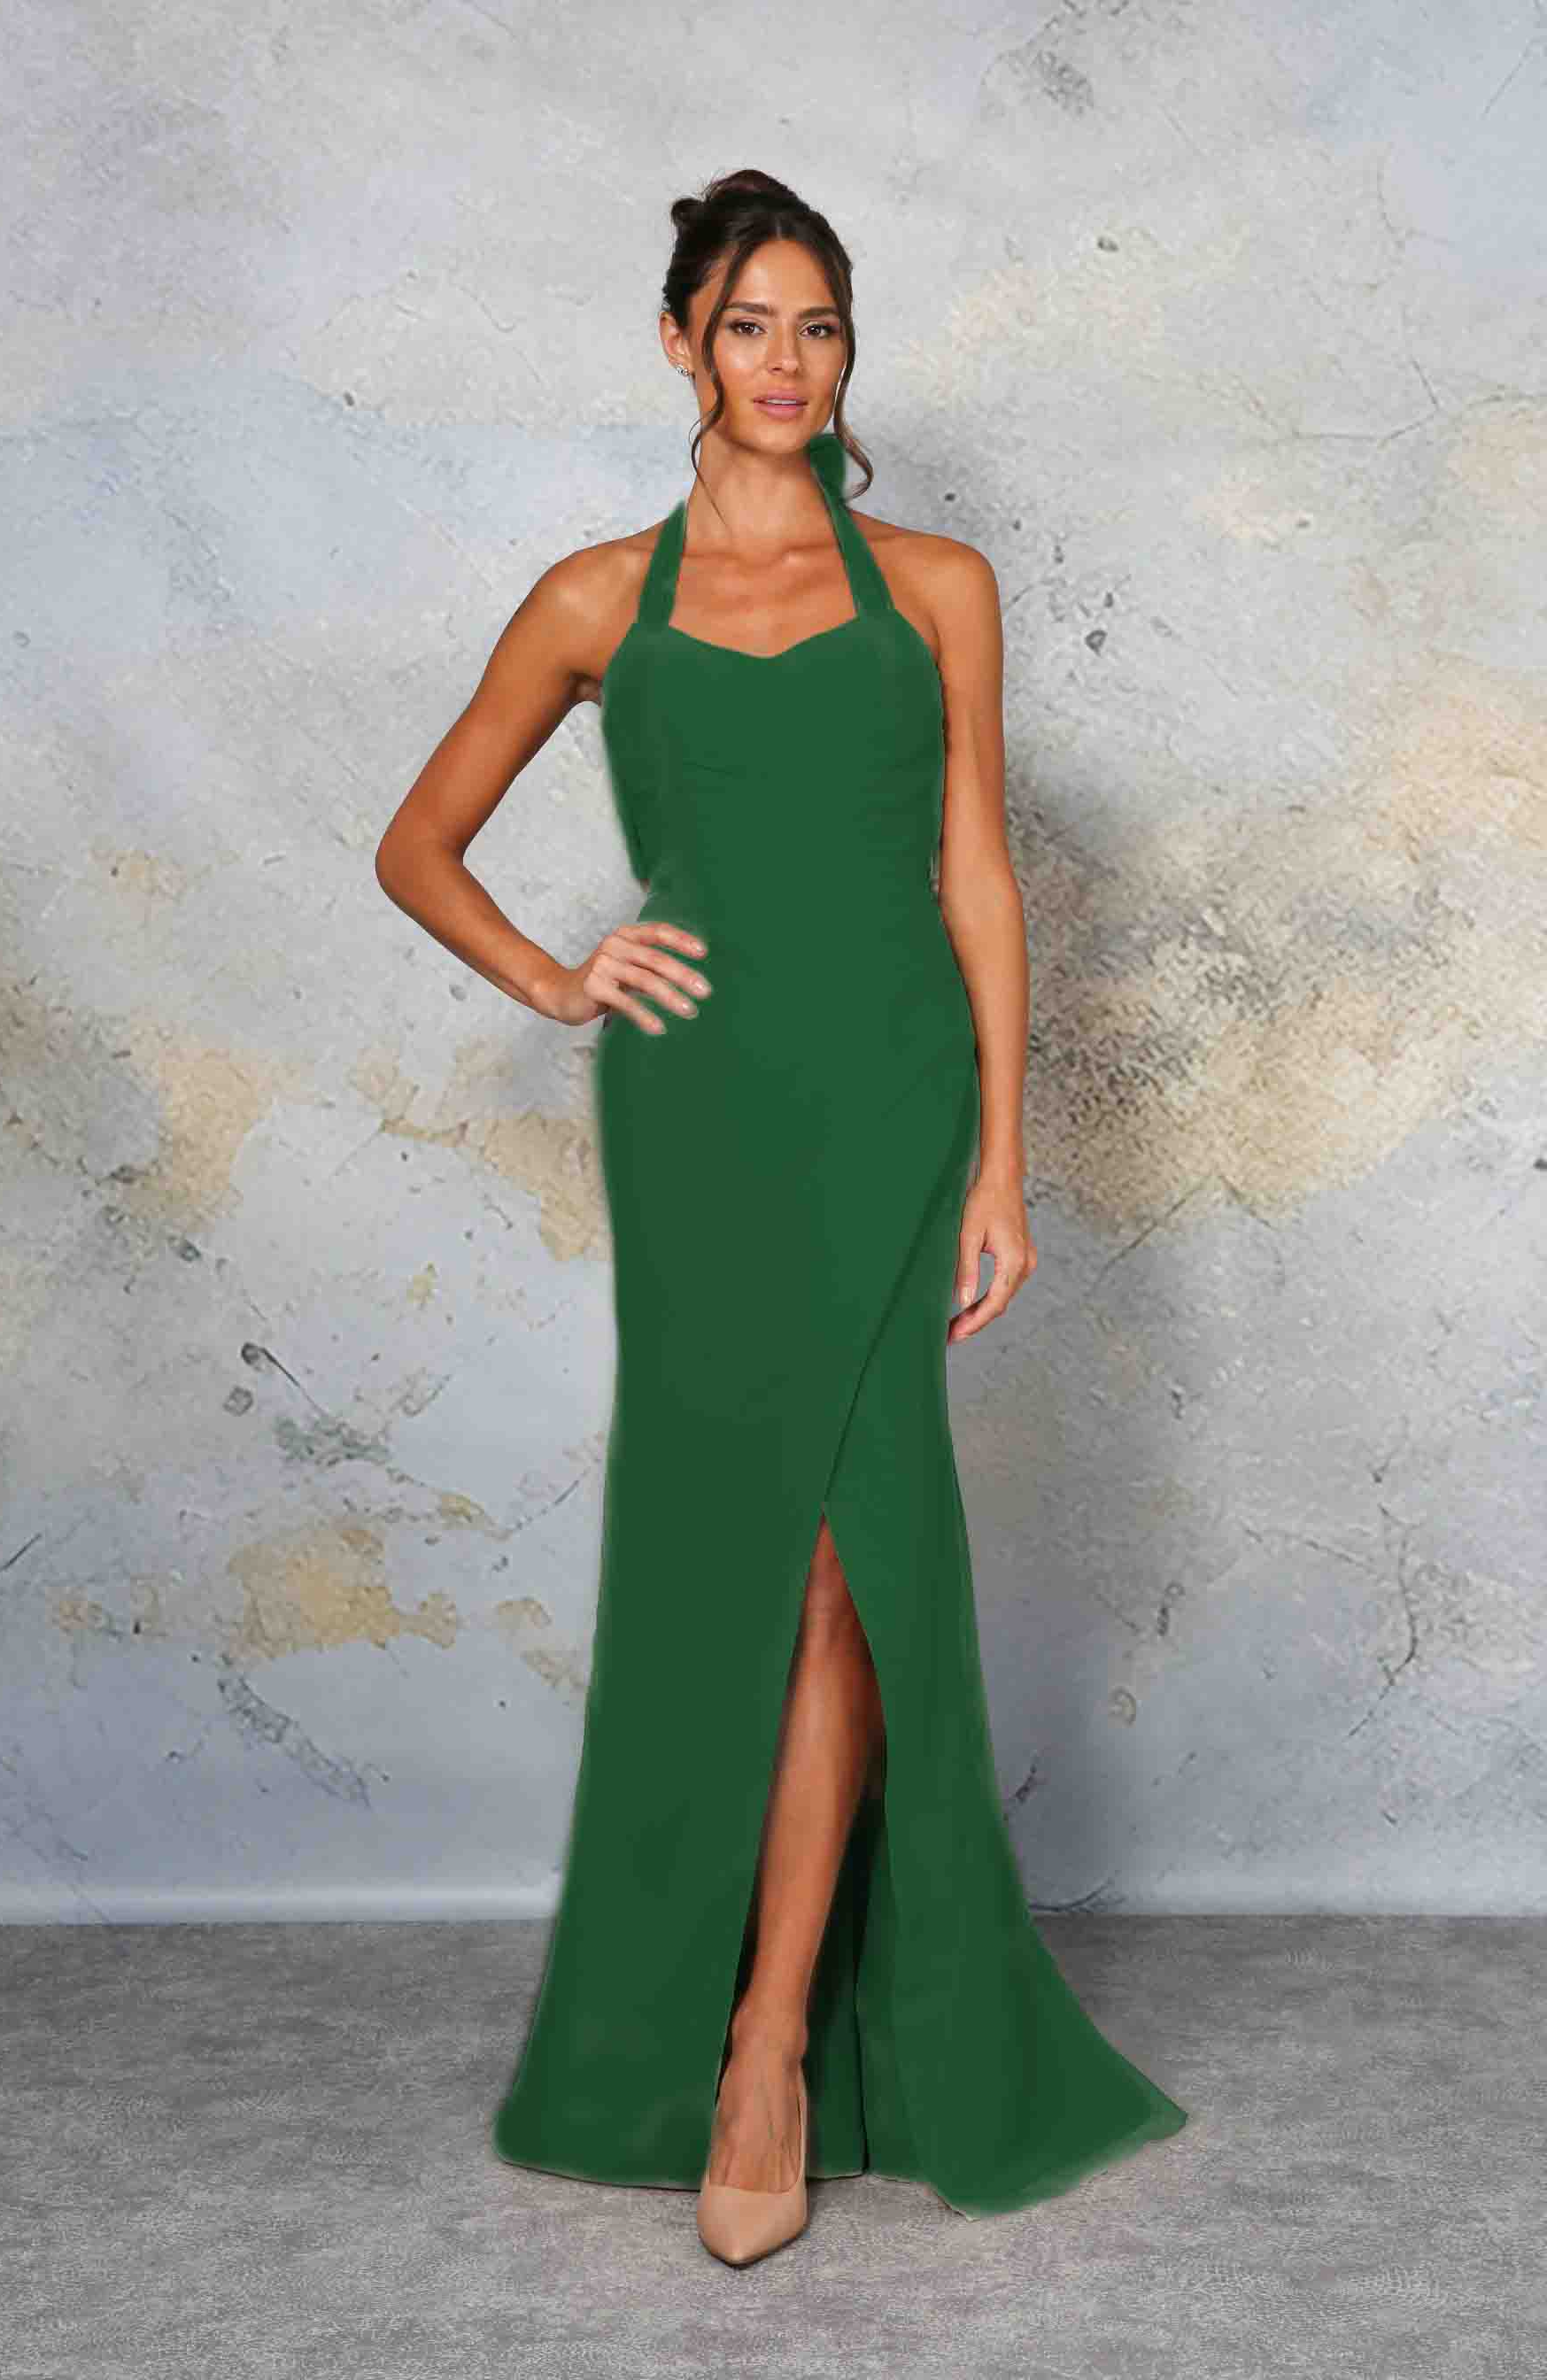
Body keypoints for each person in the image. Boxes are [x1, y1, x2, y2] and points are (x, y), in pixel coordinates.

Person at [375, 167, 1187, 2268]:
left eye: (817, 326)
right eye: (746, 324)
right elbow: (417, 842)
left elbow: (976, 876)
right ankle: (713, 2012)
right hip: (701, 1115)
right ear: (678, 341)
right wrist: (559, 975)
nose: (785, 362)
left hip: (894, 1100)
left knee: (847, 1552)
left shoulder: (937, 583)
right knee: (720, 1550)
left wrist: (1002, 1159)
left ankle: (766, 2048)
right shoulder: (590, 599)